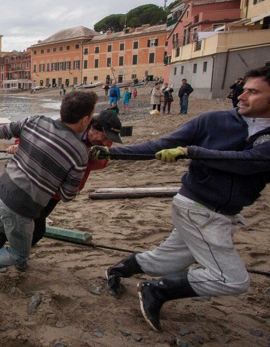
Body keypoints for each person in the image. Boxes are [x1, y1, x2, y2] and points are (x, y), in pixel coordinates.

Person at [90, 66, 270, 332]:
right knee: (233, 280)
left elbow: (251, 162)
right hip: (197, 208)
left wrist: (190, 152)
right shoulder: (212, 120)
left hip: (220, 212)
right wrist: (114, 153)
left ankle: (117, 270)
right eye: (244, 90)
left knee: (168, 261)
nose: (242, 96)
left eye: (253, 92)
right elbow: (162, 145)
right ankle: (157, 290)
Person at [0, 91, 98, 293]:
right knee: (18, 254)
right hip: (20, 206)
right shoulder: (79, 152)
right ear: (85, 119)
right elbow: (67, 195)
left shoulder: (36, 120)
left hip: (0, 189)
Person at [0, 110, 122, 252]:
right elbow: (35, 134)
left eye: (108, 140)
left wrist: (90, 157)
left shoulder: (102, 145)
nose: (105, 142)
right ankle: (8, 251)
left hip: (57, 193)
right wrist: (19, 144)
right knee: (37, 229)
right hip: (40, 185)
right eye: (104, 137)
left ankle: (13, 251)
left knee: (30, 223)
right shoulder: (71, 126)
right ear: (93, 126)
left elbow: (102, 163)